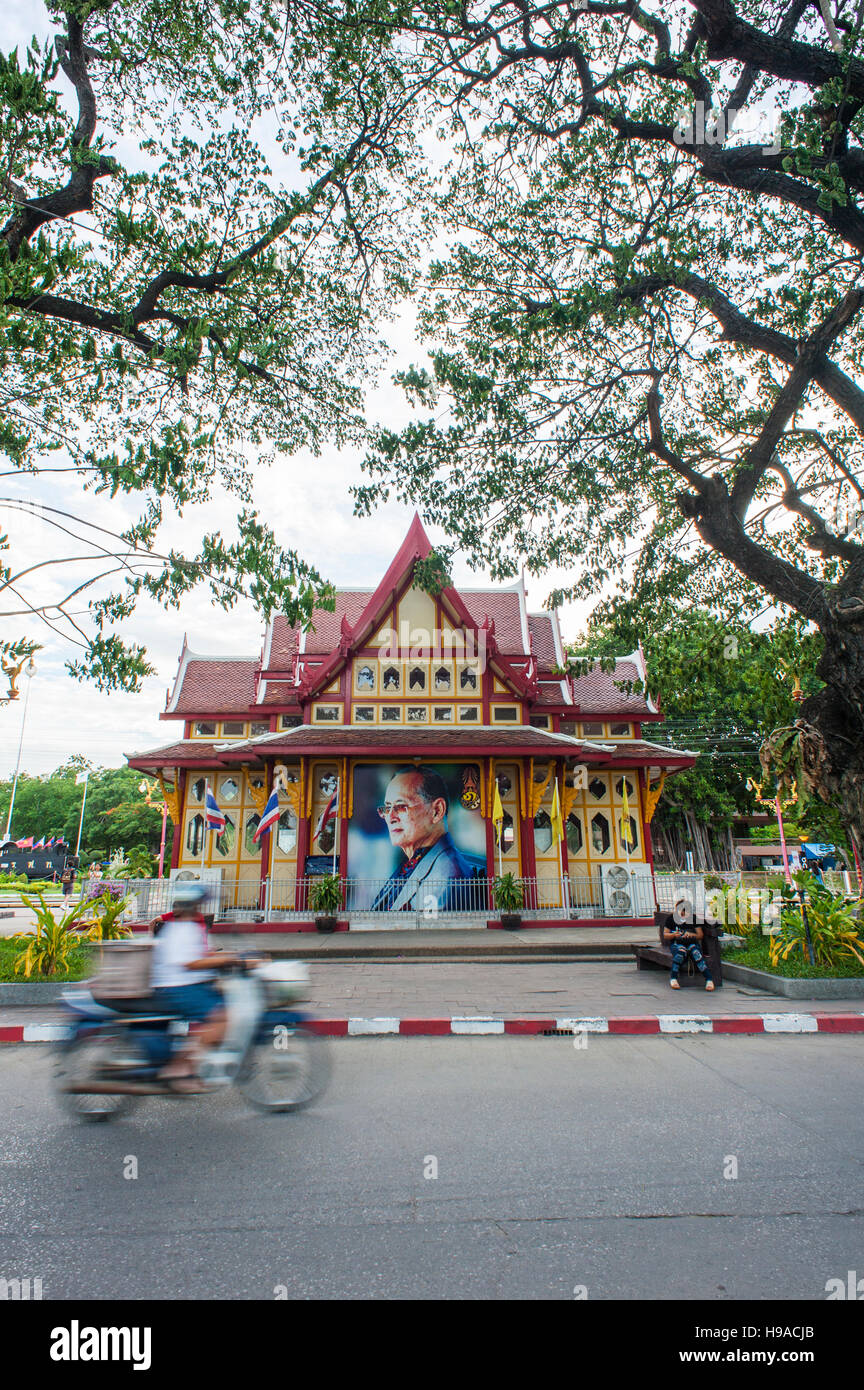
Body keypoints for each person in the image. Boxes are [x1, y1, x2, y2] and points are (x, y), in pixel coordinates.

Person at [149, 882, 238, 1091]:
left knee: (221, 1001)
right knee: (222, 1017)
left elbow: (201, 955)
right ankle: (182, 1067)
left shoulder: (185, 926)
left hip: (187, 983)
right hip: (178, 986)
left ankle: (194, 1058)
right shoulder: (184, 928)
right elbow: (191, 963)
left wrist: (232, 957)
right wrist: (225, 960)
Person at [371, 766, 479, 911]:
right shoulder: (414, 861)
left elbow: (430, 929)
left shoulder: (445, 875)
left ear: (437, 811)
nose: (390, 818)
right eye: (387, 808)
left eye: (401, 806)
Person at [662, 902, 715, 991]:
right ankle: (673, 978)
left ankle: (709, 979)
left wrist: (691, 934)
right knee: (681, 952)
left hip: (691, 942)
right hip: (677, 943)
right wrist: (674, 935)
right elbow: (665, 935)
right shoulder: (671, 919)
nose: (683, 916)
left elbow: (700, 935)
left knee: (696, 952)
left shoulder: (693, 919)